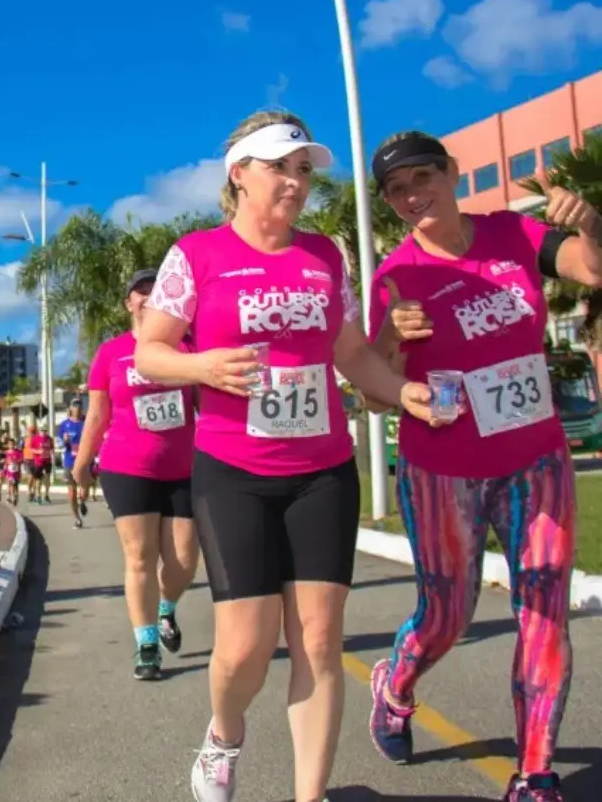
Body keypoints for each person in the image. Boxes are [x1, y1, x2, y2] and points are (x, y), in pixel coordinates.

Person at [133, 110, 442, 802]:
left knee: (320, 640)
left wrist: (403, 391)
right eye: (281, 167)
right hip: (233, 471)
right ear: (239, 174)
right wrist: (205, 365)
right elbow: (151, 352)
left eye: (304, 170)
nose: (297, 182)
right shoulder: (197, 256)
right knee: (244, 646)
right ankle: (224, 734)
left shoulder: (327, 255)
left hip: (323, 472)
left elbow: (352, 353)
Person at [364, 132, 599, 802]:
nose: (413, 196)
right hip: (443, 467)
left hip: (535, 458)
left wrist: (593, 224)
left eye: (422, 178)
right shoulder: (397, 276)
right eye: (397, 190)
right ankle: (397, 684)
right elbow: (375, 385)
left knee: (545, 609)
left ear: (452, 174)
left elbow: (591, 267)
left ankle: (535, 773)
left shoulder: (514, 236)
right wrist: (391, 338)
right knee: (446, 615)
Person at [72, 269, 200, 680]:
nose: (147, 297)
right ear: (128, 302)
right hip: (128, 466)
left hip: (185, 467)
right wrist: (81, 460)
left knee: (183, 560)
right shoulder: (111, 353)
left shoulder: (186, 346)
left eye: (156, 290)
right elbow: (97, 413)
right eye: (140, 292)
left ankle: (166, 609)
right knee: (140, 557)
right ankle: (146, 644)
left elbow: (207, 404)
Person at [58, 399, 87, 526]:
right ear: (71, 408)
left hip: (85, 460)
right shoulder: (64, 425)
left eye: (80, 405)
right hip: (70, 461)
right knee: (71, 493)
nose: (77, 407)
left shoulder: (86, 422)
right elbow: (59, 444)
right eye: (75, 405)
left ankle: (82, 502)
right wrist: (64, 441)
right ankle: (77, 518)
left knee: (84, 491)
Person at [2, 437, 24, 505]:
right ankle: (10, 496)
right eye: (10, 444)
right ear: (8, 445)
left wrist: (15, 461)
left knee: (15, 485)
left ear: (14, 444)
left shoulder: (18, 452)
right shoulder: (7, 452)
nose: (11, 445)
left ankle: (15, 497)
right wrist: (5, 463)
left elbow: (21, 460)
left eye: (12, 444)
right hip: (9, 471)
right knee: (9, 484)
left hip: (16, 471)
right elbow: (5, 461)